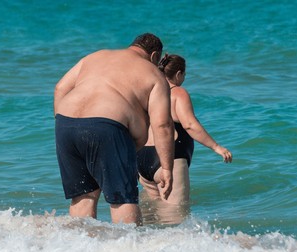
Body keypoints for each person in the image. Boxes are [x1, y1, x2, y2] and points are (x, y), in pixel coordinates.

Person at [53, 34, 174, 225]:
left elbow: (60, 88)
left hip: (66, 123)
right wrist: (167, 167)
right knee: (122, 198)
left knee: (83, 197)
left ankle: (80, 248)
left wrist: (63, 125)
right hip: (107, 127)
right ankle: (129, 251)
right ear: (154, 56)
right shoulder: (153, 73)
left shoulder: (95, 56)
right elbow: (163, 125)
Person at [137, 53, 232, 224]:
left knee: (150, 215)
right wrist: (217, 147)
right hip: (168, 158)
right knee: (175, 217)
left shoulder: (148, 93)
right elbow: (189, 124)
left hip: (142, 158)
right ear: (179, 74)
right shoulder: (177, 93)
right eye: (184, 75)